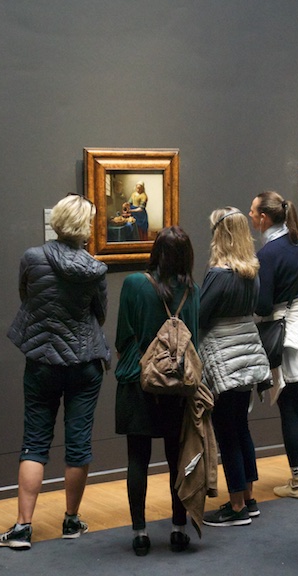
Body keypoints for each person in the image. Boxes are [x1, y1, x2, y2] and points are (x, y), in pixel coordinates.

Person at [0, 193, 111, 551]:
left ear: (57, 221)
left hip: (42, 361)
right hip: (84, 362)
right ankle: (71, 521)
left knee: (34, 442)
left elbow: (26, 296)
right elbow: (100, 314)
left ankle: (22, 528)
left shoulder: (32, 257)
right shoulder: (94, 268)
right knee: (78, 443)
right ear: (85, 226)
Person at [114, 226, 200, 556]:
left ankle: (140, 532)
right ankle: (178, 529)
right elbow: (195, 340)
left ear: (157, 252)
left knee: (137, 458)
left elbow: (123, 336)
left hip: (138, 381)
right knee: (176, 458)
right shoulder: (192, 290)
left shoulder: (135, 284)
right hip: (177, 387)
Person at [249, 191, 298, 499]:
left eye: (252, 212)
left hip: (289, 335)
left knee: (290, 408)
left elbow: (263, 305)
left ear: (263, 218)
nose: (250, 216)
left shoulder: (267, 254)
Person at [199, 207, 271, 527]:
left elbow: (200, 315)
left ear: (220, 235)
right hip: (248, 355)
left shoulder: (218, 275)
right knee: (241, 428)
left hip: (223, 357)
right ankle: (249, 498)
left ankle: (237, 506)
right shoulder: (251, 272)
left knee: (226, 432)